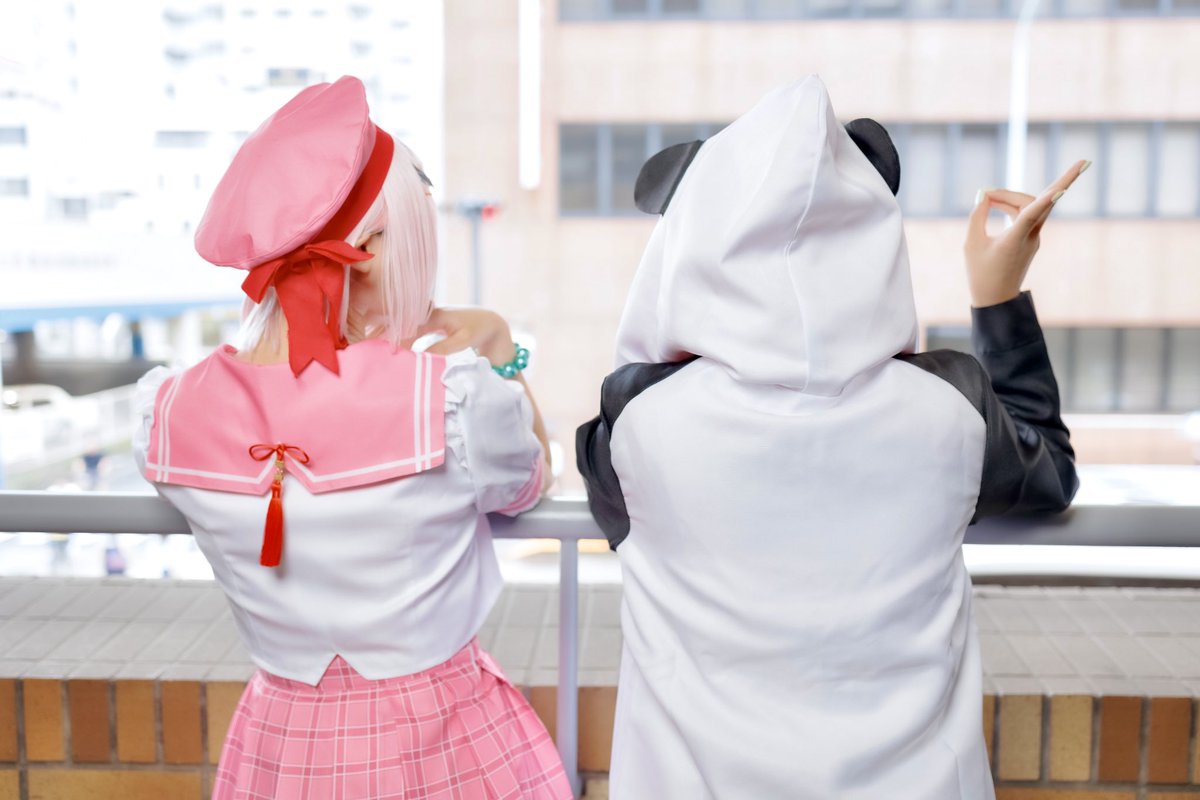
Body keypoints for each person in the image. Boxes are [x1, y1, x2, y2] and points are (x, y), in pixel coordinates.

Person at [576, 76, 1084, 799]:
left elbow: (642, 375)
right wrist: (997, 297)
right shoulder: (951, 407)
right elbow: (1050, 471)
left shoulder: (640, 424)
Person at [133, 76, 572, 800]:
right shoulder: (449, 401)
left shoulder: (169, 413)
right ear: (366, 249)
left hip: (279, 743)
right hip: (445, 740)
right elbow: (532, 482)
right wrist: (499, 346)